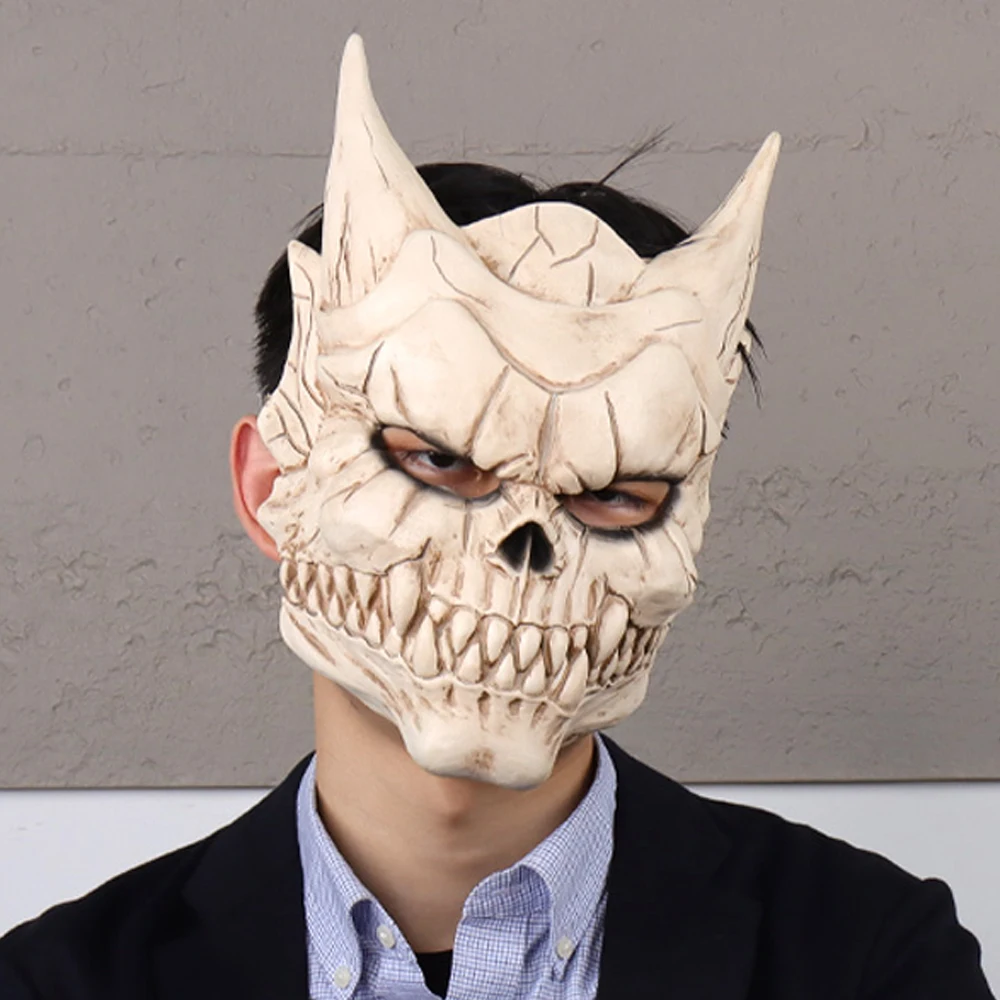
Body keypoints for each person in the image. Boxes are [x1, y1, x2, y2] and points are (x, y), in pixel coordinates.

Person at [0, 35, 993, 1000]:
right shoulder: (60, 981)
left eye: (615, 491)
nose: (526, 547)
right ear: (270, 490)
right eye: (438, 458)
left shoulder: (872, 960)